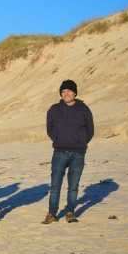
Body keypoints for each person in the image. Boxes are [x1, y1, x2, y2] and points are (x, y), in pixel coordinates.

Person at [43, 79, 94, 224]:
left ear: (75, 93)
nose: (66, 94)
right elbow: (50, 128)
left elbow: (90, 130)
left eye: (69, 91)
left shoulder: (84, 109)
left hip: (78, 153)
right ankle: (52, 214)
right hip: (60, 152)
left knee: (73, 186)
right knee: (55, 185)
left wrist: (80, 142)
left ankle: (70, 213)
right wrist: (58, 140)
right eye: (63, 92)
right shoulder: (54, 109)